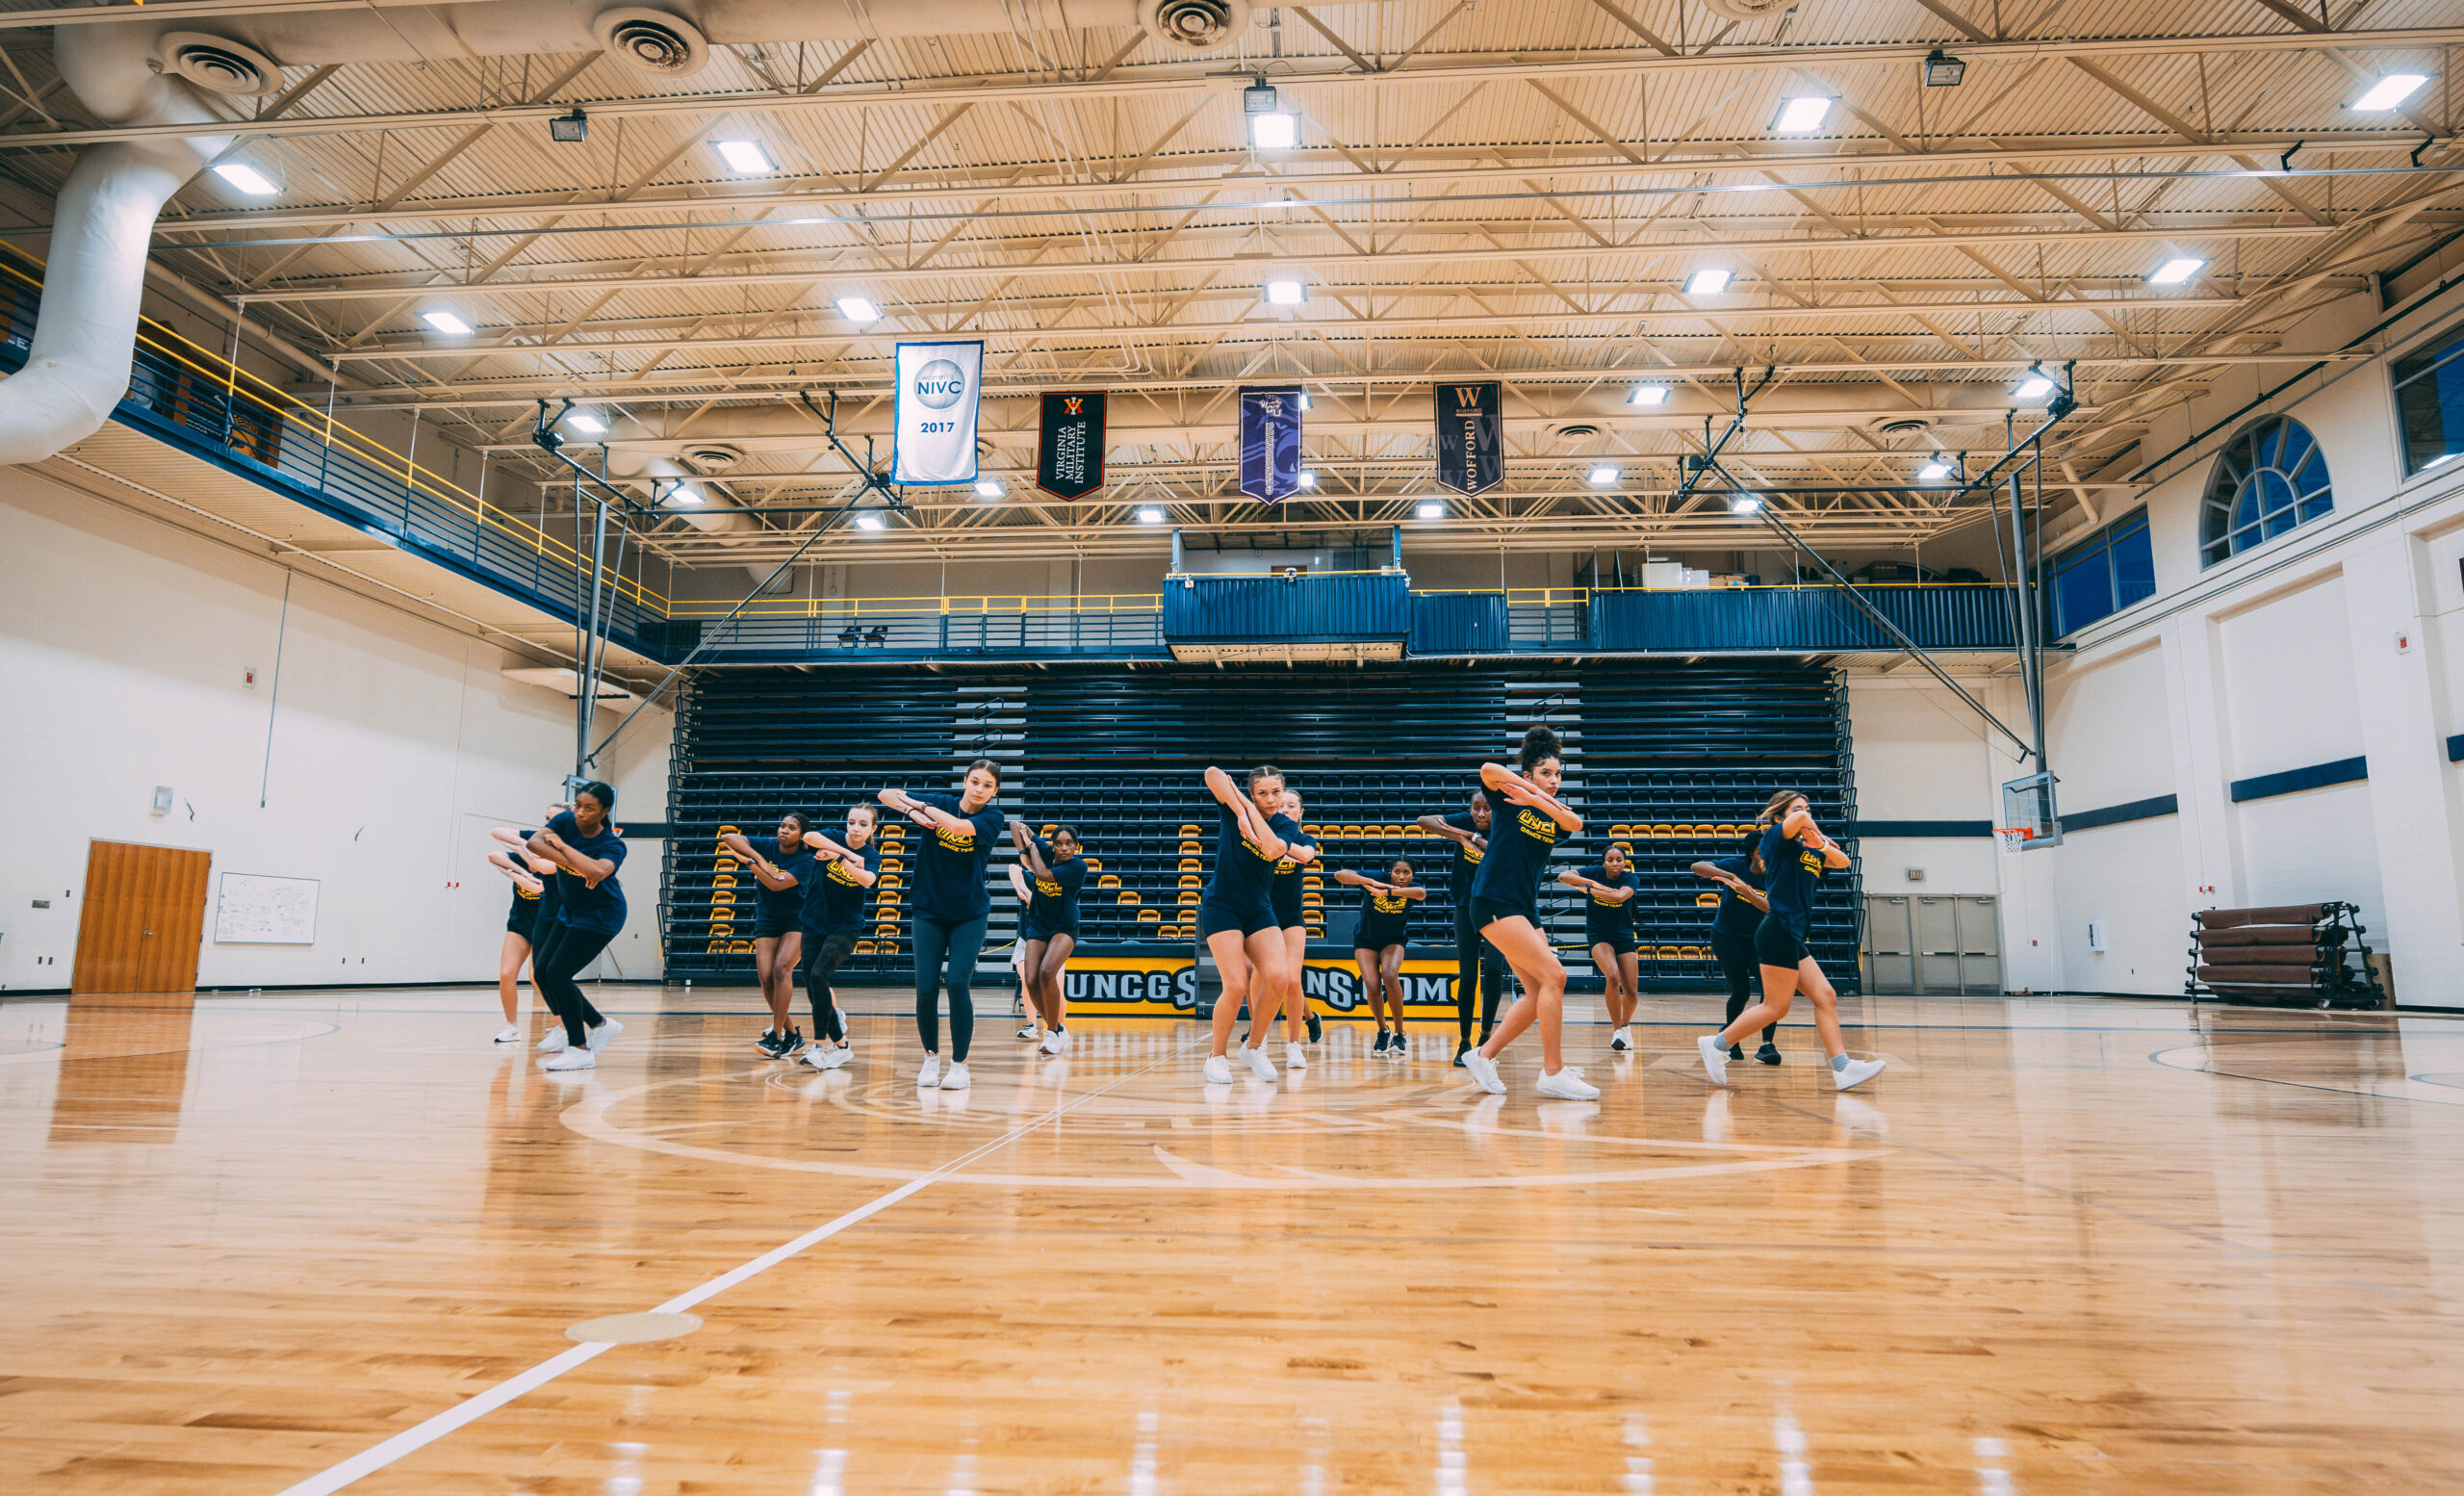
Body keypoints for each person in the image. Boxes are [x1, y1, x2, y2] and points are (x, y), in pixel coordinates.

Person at [1698, 791, 1884, 1092]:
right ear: (1778, 818)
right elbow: (1800, 820)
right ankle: (1717, 1044)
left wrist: (1820, 844)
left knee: (1826, 996)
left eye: (1809, 808)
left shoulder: (1807, 849)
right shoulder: (1775, 840)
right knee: (1775, 1007)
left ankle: (1843, 1067)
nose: (1806, 813)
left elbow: (1842, 860)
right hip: (1777, 929)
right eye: (1799, 809)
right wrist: (1814, 830)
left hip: (1791, 932)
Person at [1457, 727, 1597, 1100]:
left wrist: (1534, 796)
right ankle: (1553, 1072)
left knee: (1537, 990)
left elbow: (1575, 823)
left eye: (1558, 774)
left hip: (1524, 908)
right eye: (1545, 773)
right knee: (1555, 975)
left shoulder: (1548, 810)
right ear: (1528, 773)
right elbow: (1488, 768)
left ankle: (1483, 1056)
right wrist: (1522, 791)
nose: (1554, 780)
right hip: (1492, 900)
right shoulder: (1504, 800)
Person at [880, 761, 1008, 1091]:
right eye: (975, 781)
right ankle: (931, 1058)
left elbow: (959, 828)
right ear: (965, 781)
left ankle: (960, 1065)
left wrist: (921, 807)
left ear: (995, 791)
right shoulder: (943, 801)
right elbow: (886, 794)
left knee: (956, 984)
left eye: (987, 785)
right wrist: (911, 812)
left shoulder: (992, 818)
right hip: (928, 909)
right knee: (925, 989)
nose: (979, 789)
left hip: (970, 913)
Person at [1196, 764, 1292, 1085]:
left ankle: (1253, 1048)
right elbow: (1211, 773)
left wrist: (1247, 809)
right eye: (1261, 794)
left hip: (1258, 910)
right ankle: (1216, 1057)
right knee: (1236, 985)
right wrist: (1240, 809)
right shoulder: (1231, 809)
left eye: (1276, 792)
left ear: (1283, 792)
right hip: (1221, 906)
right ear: (1252, 791)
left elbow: (1274, 849)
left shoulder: (1284, 824)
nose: (1270, 799)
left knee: (1280, 977)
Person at [525, 783, 629, 1071]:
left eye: (589, 808)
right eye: (578, 805)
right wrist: (575, 862)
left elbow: (598, 870)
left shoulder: (612, 844)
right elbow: (534, 844)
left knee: (559, 974)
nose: (580, 813)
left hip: (601, 916)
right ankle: (599, 1024)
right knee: (543, 972)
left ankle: (579, 1048)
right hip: (570, 909)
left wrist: (563, 847)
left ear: (604, 811)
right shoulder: (565, 819)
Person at [1419, 791, 1510, 1067]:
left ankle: (1485, 1037)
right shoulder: (1466, 821)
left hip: (1497, 908)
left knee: (1494, 969)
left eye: (1487, 809)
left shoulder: (1505, 827)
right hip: (1465, 907)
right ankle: (1464, 1042)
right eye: (1476, 808)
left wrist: (1471, 838)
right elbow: (1423, 820)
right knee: (1468, 974)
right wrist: (1465, 836)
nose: (1481, 814)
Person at [721, 813, 815, 1059]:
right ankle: (793, 1035)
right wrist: (759, 857)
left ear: (801, 835)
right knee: (765, 978)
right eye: (783, 825)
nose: (784, 830)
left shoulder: (806, 860)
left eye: (792, 828)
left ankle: (775, 1035)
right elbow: (728, 837)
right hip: (767, 917)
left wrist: (750, 863)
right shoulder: (768, 846)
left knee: (781, 970)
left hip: (797, 919)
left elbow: (777, 884)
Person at [797, 806, 883, 1071]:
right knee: (814, 987)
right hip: (813, 921)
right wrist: (843, 851)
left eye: (863, 824)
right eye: (852, 822)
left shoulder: (870, 854)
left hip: (845, 927)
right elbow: (808, 837)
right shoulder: (833, 835)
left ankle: (819, 1046)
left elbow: (867, 879)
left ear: (872, 829)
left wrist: (841, 859)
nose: (856, 828)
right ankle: (842, 1046)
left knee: (820, 976)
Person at [1693, 835, 1781, 1065]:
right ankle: (1731, 1038)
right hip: (1726, 936)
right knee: (1741, 990)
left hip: (1759, 939)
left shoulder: (1776, 873)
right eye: (1762, 851)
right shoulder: (1735, 865)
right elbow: (1697, 866)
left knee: (1770, 993)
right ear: (1752, 852)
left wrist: (1747, 892)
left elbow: (1772, 908)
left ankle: (1766, 1044)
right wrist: (1729, 877)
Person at [1007, 820, 1085, 1056]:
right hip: (1038, 925)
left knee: (1047, 972)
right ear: (1053, 845)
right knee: (1030, 980)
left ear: (1076, 846)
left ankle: (1052, 1031)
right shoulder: (1046, 850)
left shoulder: (1078, 867)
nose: (1063, 848)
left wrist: (1031, 850)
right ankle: (1058, 1029)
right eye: (1058, 843)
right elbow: (1014, 825)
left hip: (1064, 926)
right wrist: (1026, 843)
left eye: (1069, 843)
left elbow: (1042, 873)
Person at [1335, 859, 1424, 1060]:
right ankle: (1383, 1030)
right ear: (1389, 872)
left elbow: (1422, 894)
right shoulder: (1378, 877)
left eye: (1407, 872)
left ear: (1412, 875)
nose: (1402, 876)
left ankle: (1399, 1034)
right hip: (1365, 938)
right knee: (1371, 984)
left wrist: (1389, 892)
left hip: (1393, 940)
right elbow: (1340, 875)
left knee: (1390, 974)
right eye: (1397, 872)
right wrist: (1370, 882)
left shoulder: (1413, 888)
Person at [1559, 842, 1641, 1052]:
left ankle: (1625, 1025)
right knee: (1612, 976)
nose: (1615, 864)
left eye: (1619, 860)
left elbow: (1619, 896)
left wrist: (1591, 889)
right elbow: (1563, 876)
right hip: (1598, 934)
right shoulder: (1595, 873)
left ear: (1624, 862)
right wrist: (1590, 883)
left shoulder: (1630, 878)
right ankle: (1616, 1031)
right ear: (1603, 862)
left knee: (1631, 992)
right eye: (1610, 860)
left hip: (1623, 934)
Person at [485, 828, 560, 1044]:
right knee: (507, 973)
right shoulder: (531, 846)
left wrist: (519, 871)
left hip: (546, 924)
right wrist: (522, 859)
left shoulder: (558, 861)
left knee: (537, 977)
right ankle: (512, 1027)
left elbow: (536, 888)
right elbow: (494, 854)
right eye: (547, 818)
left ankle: (562, 1024)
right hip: (519, 923)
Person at [1267, 787, 1322, 1068]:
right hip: (1262, 916)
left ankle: (1293, 1044)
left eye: (1292, 806)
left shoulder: (1303, 838)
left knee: (1291, 978)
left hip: (1291, 918)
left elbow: (1308, 855)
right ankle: (1259, 1037)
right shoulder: (1263, 835)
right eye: (1282, 805)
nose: (1286, 809)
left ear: (1300, 812)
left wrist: (1280, 845)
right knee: (1258, 975)